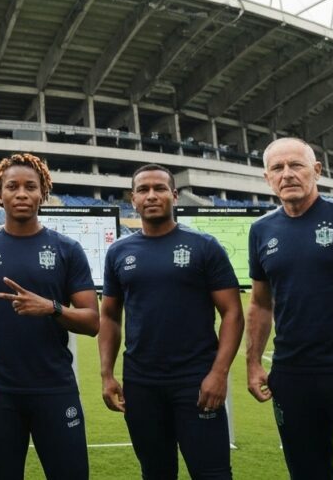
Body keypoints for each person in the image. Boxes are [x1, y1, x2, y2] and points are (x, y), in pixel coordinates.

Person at [0, 152, 99, 480]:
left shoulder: (67, 249)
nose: (21, 193)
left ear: (43, 193)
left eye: (30, 186)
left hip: (55, 387)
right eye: (13, 186)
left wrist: (52, 307)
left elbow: (93, 322)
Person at [99, 163, 243, 479]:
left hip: (196, 380)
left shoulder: (204, 246)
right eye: (143, 190)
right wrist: (107, 374)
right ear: (132, 199)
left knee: (213, 473)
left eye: (160, 188)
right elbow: (110, 315)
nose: (151, 195)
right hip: (141, 383)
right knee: (155, 472)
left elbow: (232, 312)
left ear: (174, 196)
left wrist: (219, 374)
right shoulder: (119, 252)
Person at [246, 137, 333, 478]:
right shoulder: (262, 230)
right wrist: (253, 363)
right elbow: (260, 304)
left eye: (296, 165)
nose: (287, 174)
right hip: (293, 375)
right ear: (267, 178)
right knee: (307, 471)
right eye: (277, 168)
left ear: (317, 171)